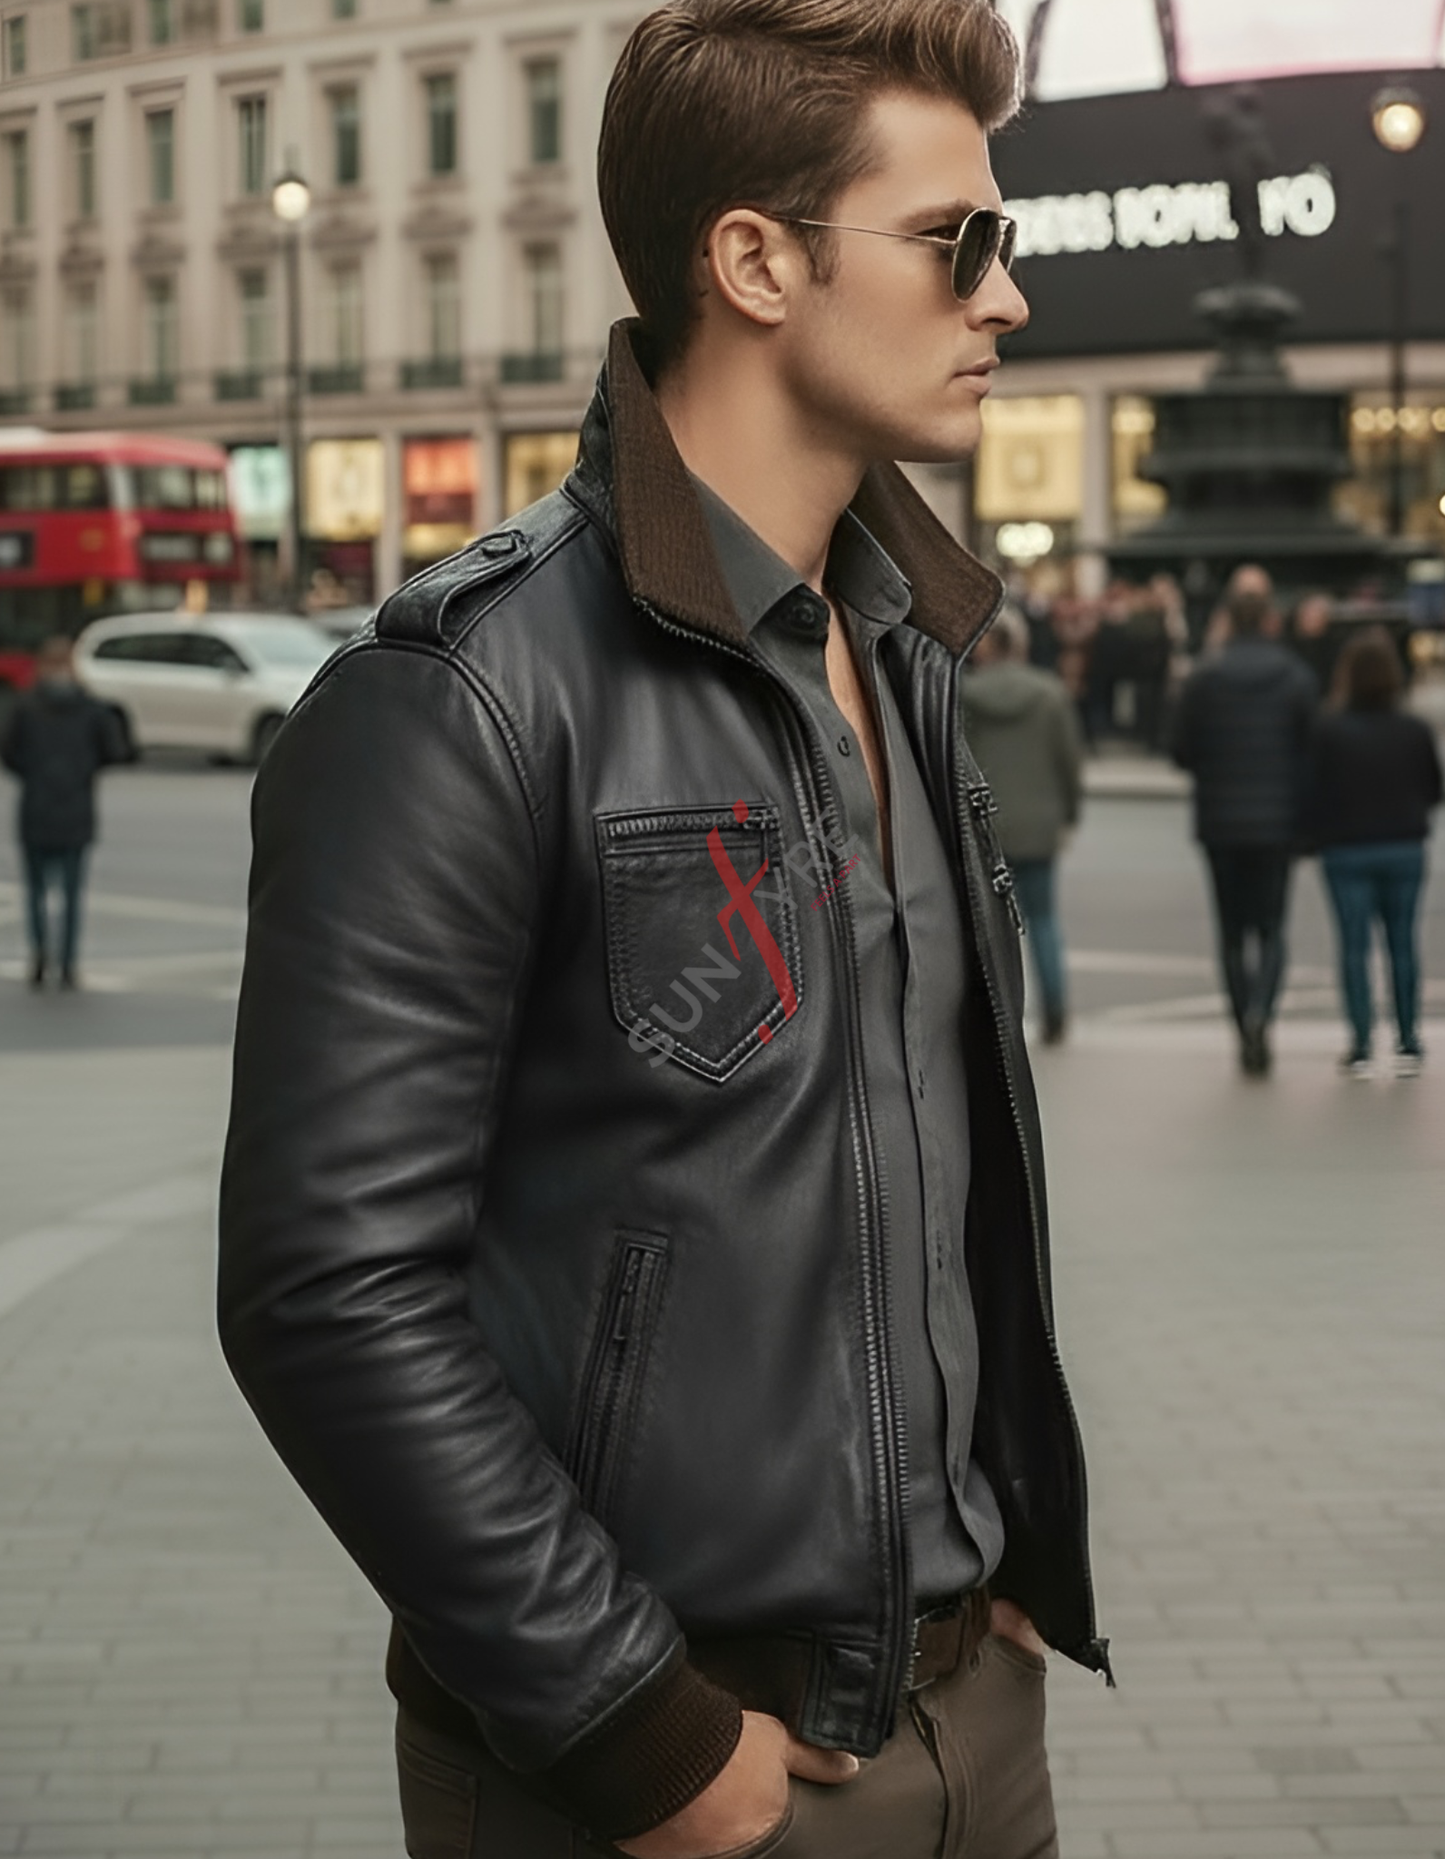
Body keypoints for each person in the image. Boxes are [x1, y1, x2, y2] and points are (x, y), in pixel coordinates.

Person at [218, 7, 1109, 1859]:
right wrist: (635, 1729)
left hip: (980, 1719)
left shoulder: (912, 651)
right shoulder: (461, 694)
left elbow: (934, 1170)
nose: (1006, 297)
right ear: (757, 260)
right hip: (672, 1763)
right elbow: (326, 1289)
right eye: (961, 242)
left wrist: (1018, 1545)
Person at [1171, 565, 1317, 1076]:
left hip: (1221, 820)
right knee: (1272, 926)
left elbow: (1182, 751)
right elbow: (1309, 752)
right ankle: (1263, 1013)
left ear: (1228, 621)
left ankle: (1242, 1020)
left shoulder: (1205, 679)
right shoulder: (1296, 677)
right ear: (1270, 621)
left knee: (1231, 931)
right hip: (1278, 820)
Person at [1304, 627, 1443, 1077]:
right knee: (1403, 944)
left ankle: (1361, 1042)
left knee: (1354, 946)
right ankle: (1408, 1039)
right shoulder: (1414, 729)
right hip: (1403, 844)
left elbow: (1313, 789)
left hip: (1346, 847)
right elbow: (1433, 788)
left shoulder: (1329, 729)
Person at [963, 606, 1083, 1043]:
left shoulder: (965, 695)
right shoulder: (1049, 694)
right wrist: (1068, 813)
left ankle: (998, 1015)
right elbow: (1068, 761)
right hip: (1038, 825)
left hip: (987, 828)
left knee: (989, 929)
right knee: (1044, 920)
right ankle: (1055, 1010)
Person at [1, 634, 128, 990]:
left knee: (36, 891)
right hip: (76, 809)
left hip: (36, 809)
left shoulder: (26, 707)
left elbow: (9, 753)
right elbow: (113, 750)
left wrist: (36, 772)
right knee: (71, 894)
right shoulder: (90, 708)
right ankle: (68, 962)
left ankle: (40, 953)